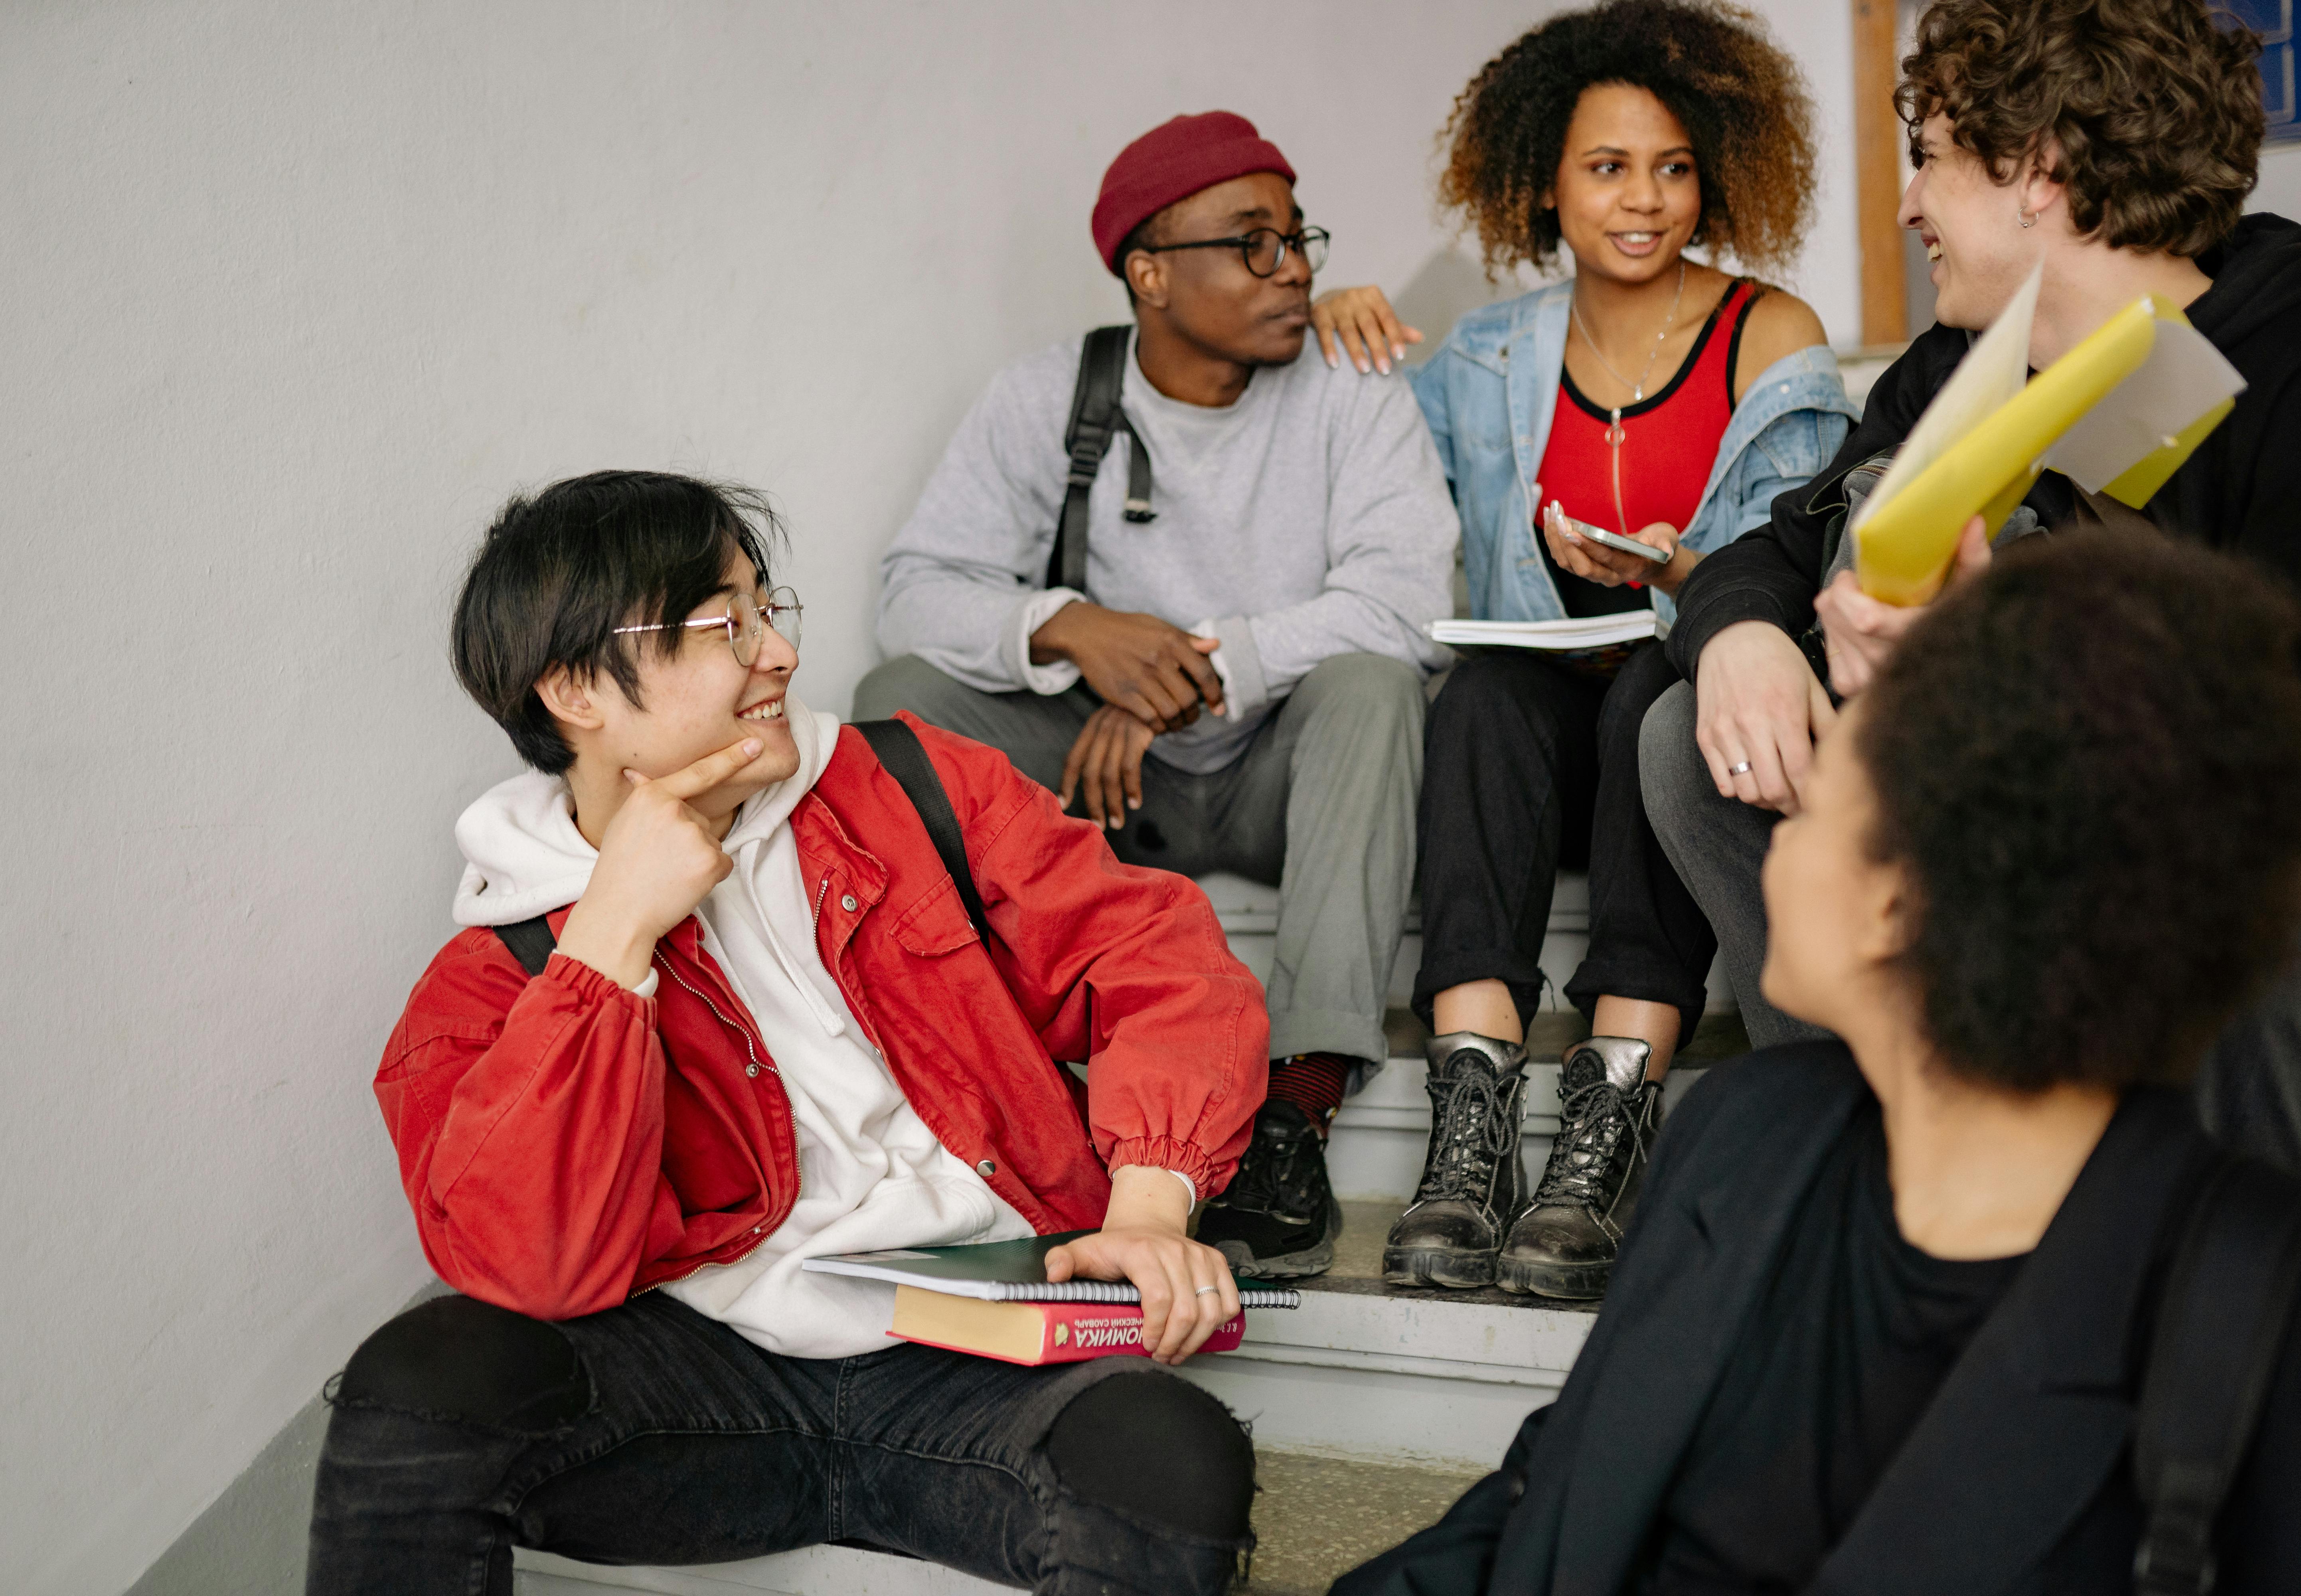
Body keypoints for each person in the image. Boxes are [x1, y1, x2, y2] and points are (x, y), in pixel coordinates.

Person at [1335, 532, 2301, 1596]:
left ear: (1898, 901)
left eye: (1823, 774)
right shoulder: (1744, 1138)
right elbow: (1547, 1497)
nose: (1776, 816)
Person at [308, 472, 1267, 1596]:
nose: (778, 654)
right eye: (726, 624)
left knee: (1169, 1457)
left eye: (770, 610)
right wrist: (614, 937)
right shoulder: (495, 976)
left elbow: (1153, 957)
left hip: (977, 1357)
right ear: (574, 688)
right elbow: (535, 1264)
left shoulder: (911, 787)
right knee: (420, 1381)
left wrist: (1151, 1209)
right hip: (703, 1388)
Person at [1641, 0, 2301, 1185]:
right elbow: (1773, 549)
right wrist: (1739, 637)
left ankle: (2221, 1305)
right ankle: (1888, 1192)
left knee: (2285, 899)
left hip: (2265, 900)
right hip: (2015, 873)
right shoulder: (1959, 361)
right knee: (1689, 743)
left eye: (1929, 159)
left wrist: (2015, 698)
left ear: (2039, 170)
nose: (1906, 204)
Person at [1306, 0, 1855, 1296]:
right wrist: (1334, 330)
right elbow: (1381, 496)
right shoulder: (1487, 354)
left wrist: (1674, 575)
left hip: (1679, 756)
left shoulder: (1771, 340)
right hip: (1541, 754)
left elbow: (1795, 571)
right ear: (1542, 187)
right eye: (1608, 168)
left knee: (1652, 695)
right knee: (1487, 693)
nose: (1646, 201)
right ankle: (1472, 1124)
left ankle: (1606, 1120)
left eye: (1672, 167)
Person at [856, 112, 1459, 1280]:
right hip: (1108, 788)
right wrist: (1071, 629)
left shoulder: (1351, 390)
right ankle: (984, 1065)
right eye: (1253, 244)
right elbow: (912, 594)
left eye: (1299, 239)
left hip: (1289, 776)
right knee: (901, 700)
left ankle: (1297, 1104)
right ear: (1150, 273)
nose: (1295, 271)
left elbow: (1407, 604)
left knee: (1378, 685)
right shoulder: (1053, 397)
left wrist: (1199, 665)